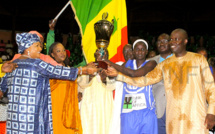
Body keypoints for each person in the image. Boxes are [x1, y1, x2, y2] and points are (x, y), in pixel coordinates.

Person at [107, 28, 215, 134]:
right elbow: (145, 80)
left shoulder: (199, 59)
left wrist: (211, 112)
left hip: (196, 116)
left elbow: (211, 88)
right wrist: (119, 76)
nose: (173, 42)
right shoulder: (165, 64)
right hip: (173, 118)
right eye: (171, 39)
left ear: (185, 41)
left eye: (176, 39)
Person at [0, 32, 97, 133]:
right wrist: (84, 70)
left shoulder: (12, 66)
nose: (40, 49)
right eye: (37, 46)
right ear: (27, 48)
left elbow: (1, 90)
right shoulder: (36, 64)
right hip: (32, 119)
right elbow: (59, 71)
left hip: (14, 119)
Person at [106, 39, 157, 134]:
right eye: (137, 49)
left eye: (142, 49)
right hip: (128, 109)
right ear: (133, 52)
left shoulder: (151, 63)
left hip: (146, 110)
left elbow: (135, 74)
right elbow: (113, 77)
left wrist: (110, 63)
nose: (140, 51)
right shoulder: (127, 64)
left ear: (146, 51)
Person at [77, 49, 115, 134]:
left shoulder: (111, 68)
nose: (101, 57)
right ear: (95, 55)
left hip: (105, 105)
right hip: (89, 105)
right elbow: (80, 83)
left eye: (104, 55)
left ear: (107, 57)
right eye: (99, 54)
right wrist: (90, 76)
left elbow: (113, 86)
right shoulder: (88, 66)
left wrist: (104, 78)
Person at [48, 42, 82, 134]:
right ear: (52, 54)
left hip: (68, 105)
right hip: (55, 104)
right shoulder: (50, 68)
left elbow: (73, 85)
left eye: (63, 50)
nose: (62, 53)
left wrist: (78, 94)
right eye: (58, 51)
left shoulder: (69, 68)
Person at [148, 33, 172, 134]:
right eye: (159, 41)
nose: (161, 43)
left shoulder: (181, 60)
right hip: (158, 110)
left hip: (178, 109)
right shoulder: (149, 62)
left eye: (165, 41)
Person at [109, 43, 134, 134]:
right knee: (117, 124)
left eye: (130, 50)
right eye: (125, 52)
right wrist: (127, 63)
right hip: (120, 99)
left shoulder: (138, 65)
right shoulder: (119, 64)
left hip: (131, 98)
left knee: (129, 121)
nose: (128, 53)